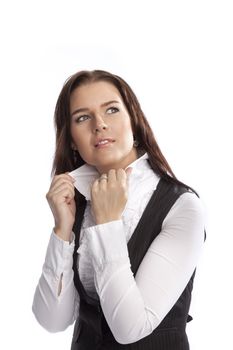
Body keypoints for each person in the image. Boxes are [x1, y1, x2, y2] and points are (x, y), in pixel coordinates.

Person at [32, 69, 205, 350]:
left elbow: (130, 329)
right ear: (72, 140)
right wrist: (62, 231)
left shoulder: (183, 206)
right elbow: (52, 320)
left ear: (133, 121)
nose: (99, 124)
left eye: (111, 110)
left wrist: (108, 223)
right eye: (82, 117)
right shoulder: (77, 199)